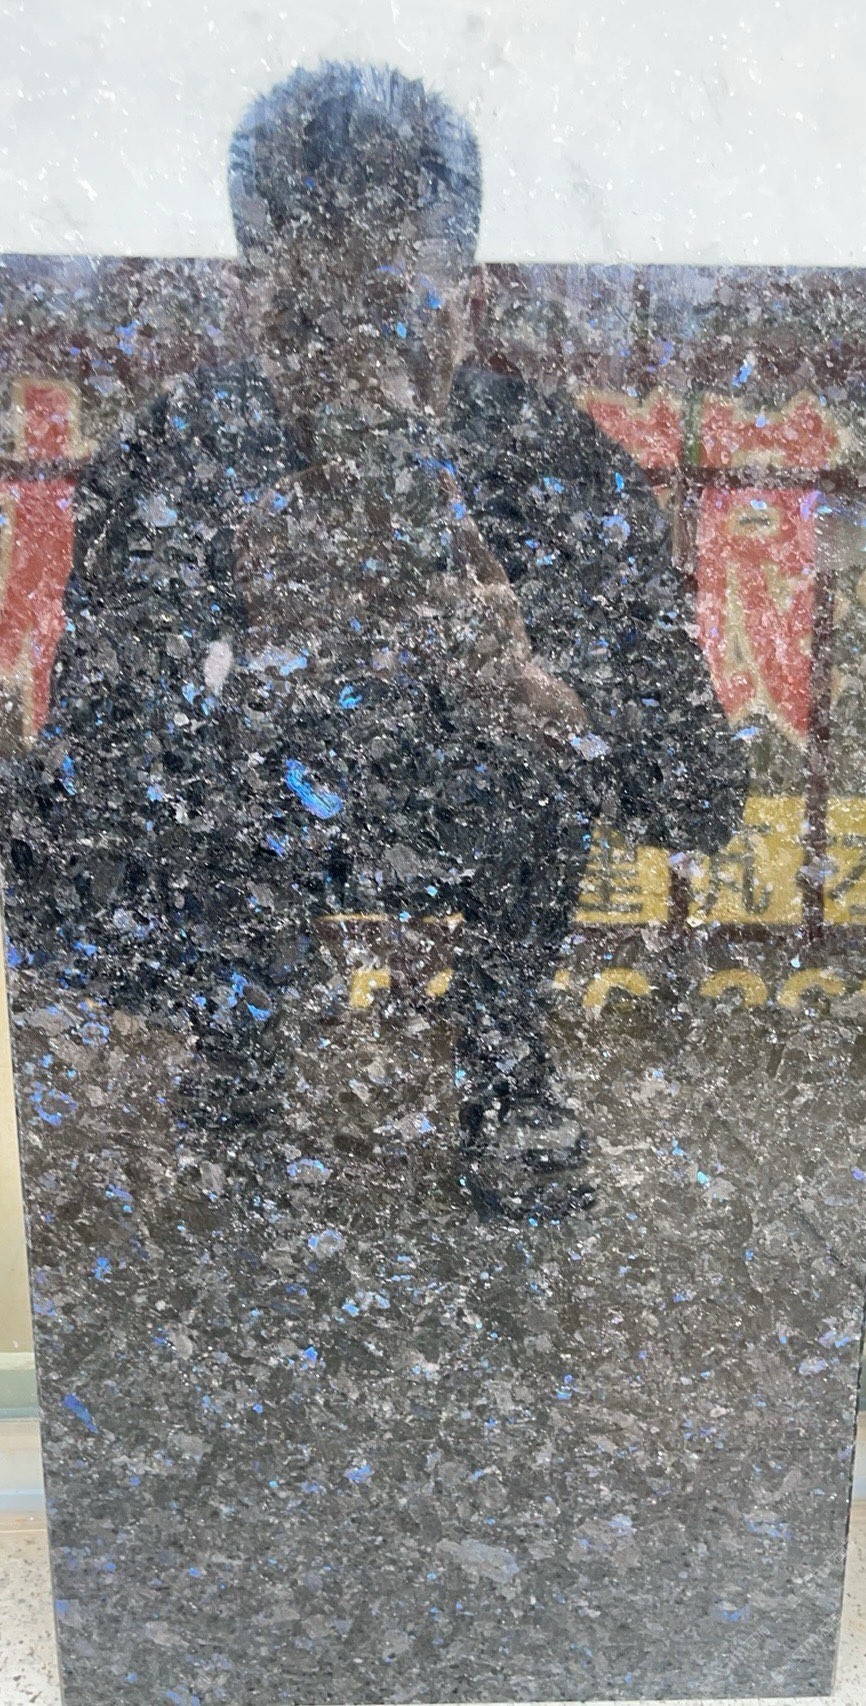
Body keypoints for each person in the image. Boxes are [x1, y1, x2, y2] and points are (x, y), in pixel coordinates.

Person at [1, 64, 748, 1223]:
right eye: (307, 322)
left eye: (393, 318)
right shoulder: (177, 456)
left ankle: (504, 1066)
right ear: (247, 303)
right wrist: (242, 664)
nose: (352, 364)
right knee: (185, 788)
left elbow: (698, 793)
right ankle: (239, 1057)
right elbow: (72, 841)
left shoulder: (550, 462)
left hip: (468, 822)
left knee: (538, 767)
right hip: (257, 837)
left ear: (467, 305)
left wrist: (529, 692)